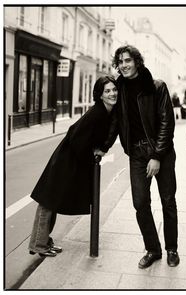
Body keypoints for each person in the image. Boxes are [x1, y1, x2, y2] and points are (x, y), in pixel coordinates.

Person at [101, 45, 179, 268]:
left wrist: (156, 155)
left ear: (137, 61)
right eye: (120, 62)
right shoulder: (120, 89)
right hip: (136, 154)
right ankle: (153, 249)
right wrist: (104, 147)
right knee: (140, 203)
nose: (123, 65)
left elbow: (167, 123)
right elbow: (116, 122)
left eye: (127, 60)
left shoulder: (157, 87)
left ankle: (172, 248)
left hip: (160, 154)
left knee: (168, 200)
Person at [28, 76, 118, 257]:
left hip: (71, 159)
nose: (112, 94)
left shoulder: (107, 112)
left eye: (114, 90)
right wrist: (92, 153)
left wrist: (100, 149)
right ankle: (38, 244)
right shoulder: (97, 113)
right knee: (48, 200)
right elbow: (76, 137)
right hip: (65, 160)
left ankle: (43, 241)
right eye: (107, 91)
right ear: (100, 95)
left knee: (51, 200)